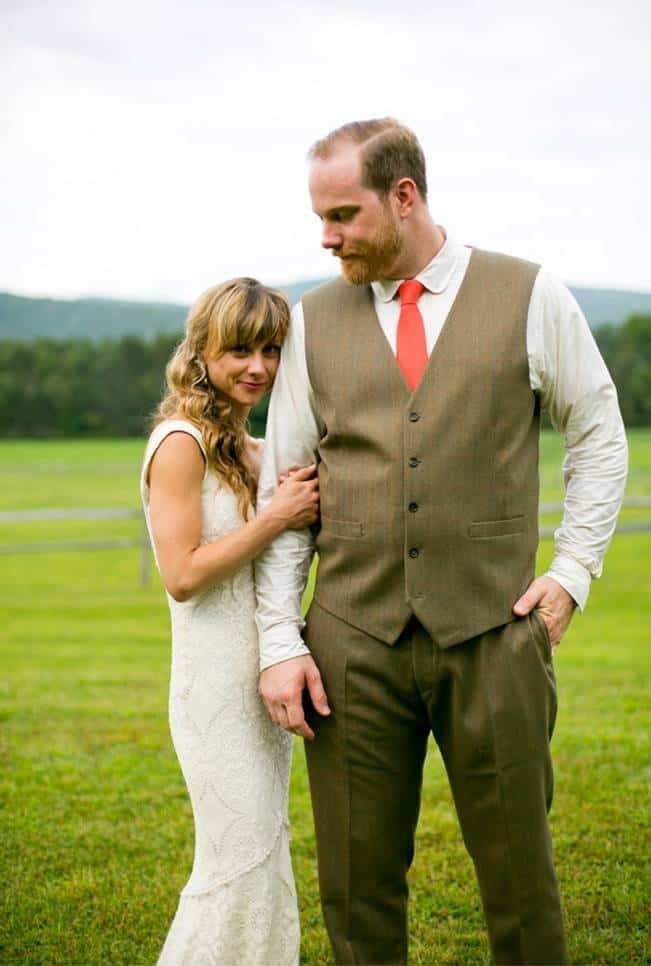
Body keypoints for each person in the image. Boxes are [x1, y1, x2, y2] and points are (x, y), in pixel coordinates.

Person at [254, 118, 628, 965]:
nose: (326, 236)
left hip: (494, 635)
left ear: (404, 196)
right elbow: (287, 491)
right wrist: (279, 639)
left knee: (519, 886)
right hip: (349, 645)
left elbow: (599, 433)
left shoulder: (530, 294)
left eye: (343, 215)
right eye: (320, 217)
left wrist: (570, 573)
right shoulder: (313, 319)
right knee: (355, 889)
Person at [140, 277, 319, 965]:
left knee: (264, 850)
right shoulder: (180, 442)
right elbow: (182, 576)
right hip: (213, 689)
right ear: (203, 351)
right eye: (240, 350)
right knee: (233, 860)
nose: (258, 367)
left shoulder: (252, 449)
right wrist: (275, 516)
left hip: (264, 681)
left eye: (271, 350)